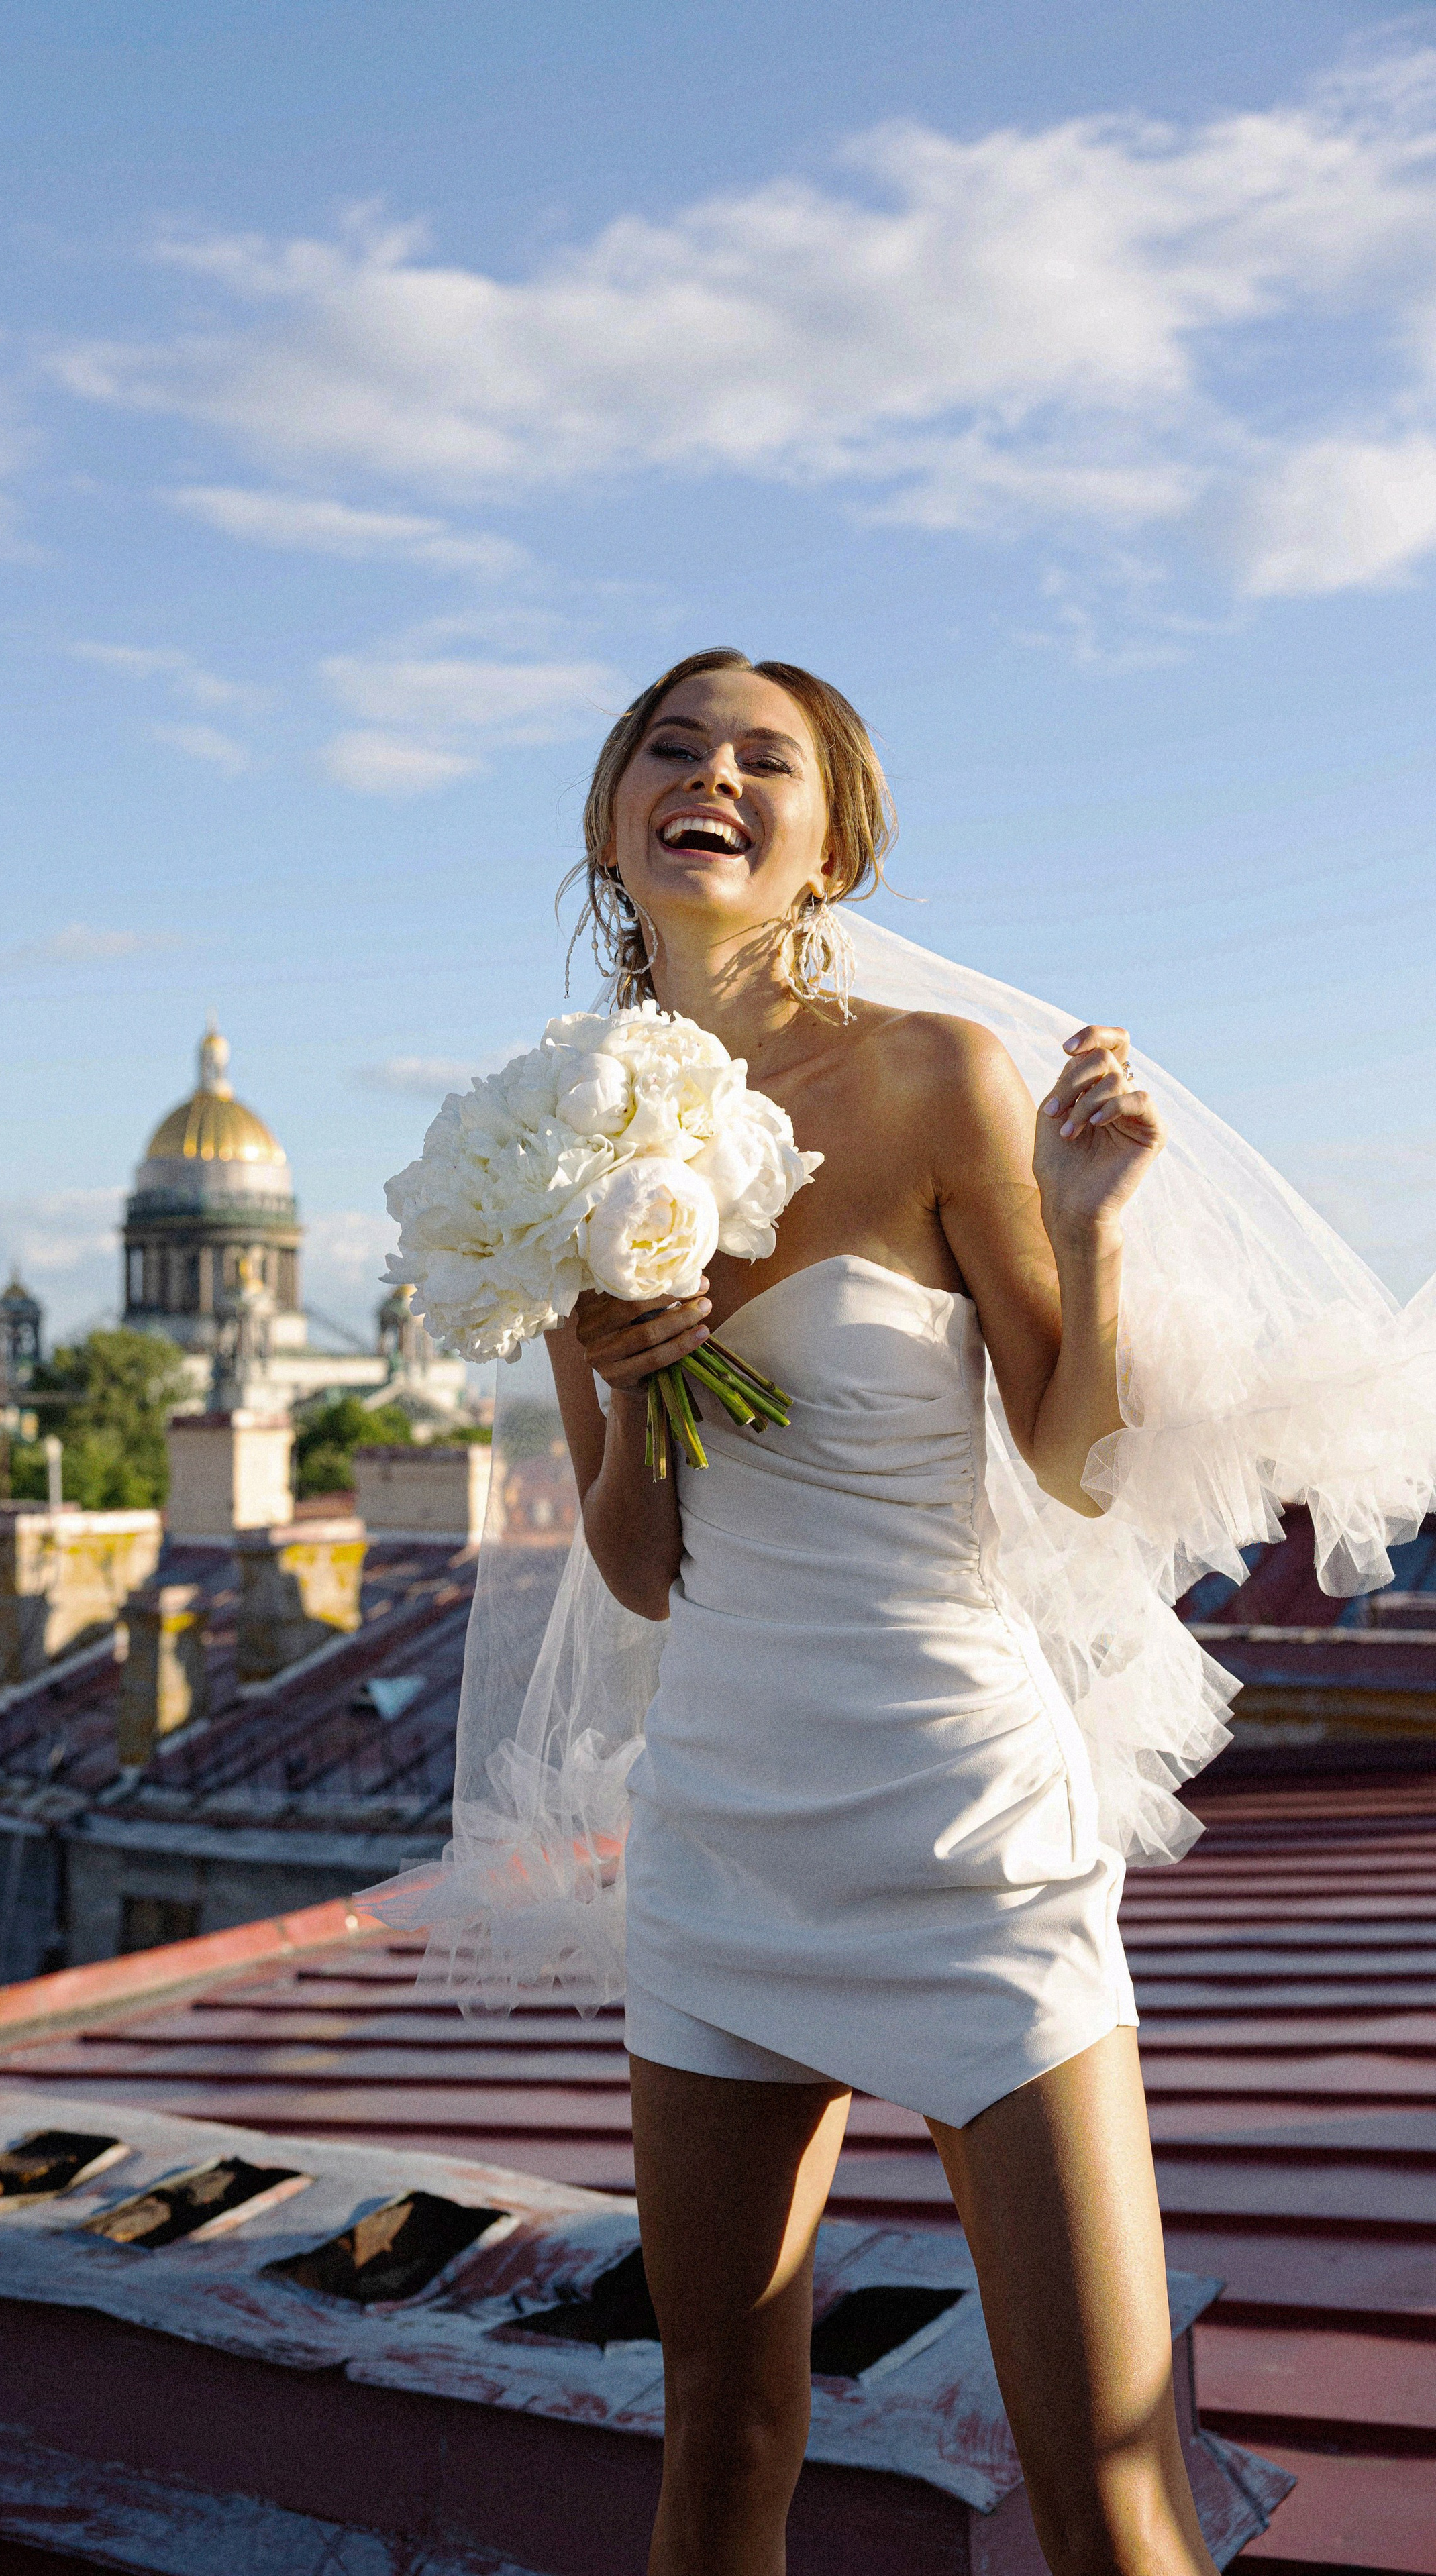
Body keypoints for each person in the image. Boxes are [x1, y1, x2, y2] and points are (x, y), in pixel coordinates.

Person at [544, 647, 1209, 2576]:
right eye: (673, 747)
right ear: (611, 822)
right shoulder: (561, 1141)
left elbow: (1077, 1463)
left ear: (831, 848)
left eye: (767, 760)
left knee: (1110, 2487)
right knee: (721, 2445)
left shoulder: (934, 1077)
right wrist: (632, 1387)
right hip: (722, 1842)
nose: (713, 776)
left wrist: (1086, 1233)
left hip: (963, 1830)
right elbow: (639, 1571)